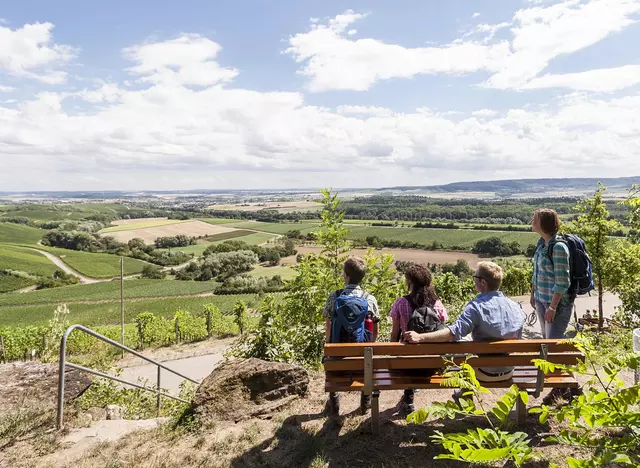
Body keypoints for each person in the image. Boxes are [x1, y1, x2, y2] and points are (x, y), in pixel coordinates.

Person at [404, 261, 524, 392]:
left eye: (475, 277)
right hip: (509, 370)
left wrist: (420, 337)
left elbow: (452, 334)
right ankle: (462, 394)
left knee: (463, 344)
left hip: (484, 372)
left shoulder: (476, 307)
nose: (474, 281)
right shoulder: (515, 306)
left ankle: (463, 395)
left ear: (483, 282)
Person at [530, 208, 577, 404]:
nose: (532, 221)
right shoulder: (542, 244)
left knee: (553, 347)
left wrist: (552, 307)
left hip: (556, 305)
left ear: (544, 224)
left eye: (535, 218)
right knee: (548, 344)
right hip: (542, 301)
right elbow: (536, 273)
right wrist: (533, 295)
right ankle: (571, 386)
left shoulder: (558, 248)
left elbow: (563, 282)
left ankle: (562, 388)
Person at [323, 256, 380, 416]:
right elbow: (375, 331)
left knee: (329, 360)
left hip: (337, 359)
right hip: (363, 360)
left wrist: (330, 346)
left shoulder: (334, 297)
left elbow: (328, 328)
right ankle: (365, 402)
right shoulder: (370, 299)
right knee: (368, 363)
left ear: (346, 276)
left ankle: (334, 403)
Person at [390, 264, 447, 414]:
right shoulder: (437, 304)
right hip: (431, 363)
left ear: (410, 282)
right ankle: (409, 396)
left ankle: (408, 399)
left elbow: (394, 334)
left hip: (407, 364)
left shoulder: (401, 303)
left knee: (407, 354)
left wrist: (393, 352)